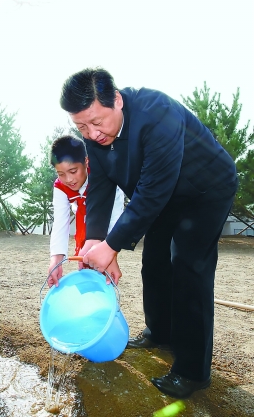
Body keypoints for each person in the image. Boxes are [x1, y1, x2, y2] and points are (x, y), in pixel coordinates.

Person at [59, 68, 238, 399]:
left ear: (116, 100)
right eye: (81, 126)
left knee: (188, 265)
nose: (92, 133)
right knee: (154, 260)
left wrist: (112, 247)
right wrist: (95, 239)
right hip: (163, 195)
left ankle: (192, 371)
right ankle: (161, 331)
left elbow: (153, 191)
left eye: (97, 122)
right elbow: (100, 184)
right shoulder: (92, 133)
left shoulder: (158, 114)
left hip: (205, 189)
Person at [48, 135, 124, 287]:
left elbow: (115, 216)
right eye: (61, 174)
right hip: (83, 228)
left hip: (104, 227)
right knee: (84, 264)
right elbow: (60, 223)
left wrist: (111, 252)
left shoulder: (104, 177)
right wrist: (56, 259)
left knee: (102, 271)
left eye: (73, 171)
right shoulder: (60, 187)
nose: (68, 179)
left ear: (86, 162)